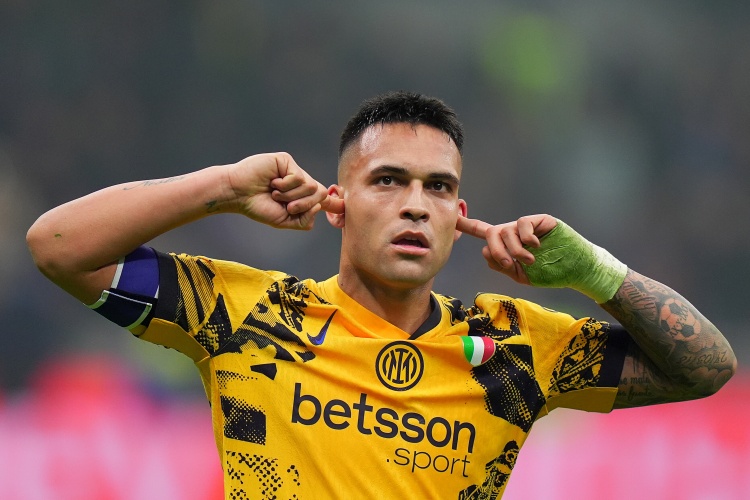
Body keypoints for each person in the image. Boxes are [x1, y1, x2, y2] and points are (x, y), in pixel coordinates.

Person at [27, 91, 736, 499]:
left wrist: (592, 272)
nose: (416, 204)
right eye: (388, 180)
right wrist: (222, 188)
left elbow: (706, 367)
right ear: (338, 204)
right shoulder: (249, 314)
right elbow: (58, 246)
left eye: (439, 188)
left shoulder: (513, 347)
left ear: (459, 217)